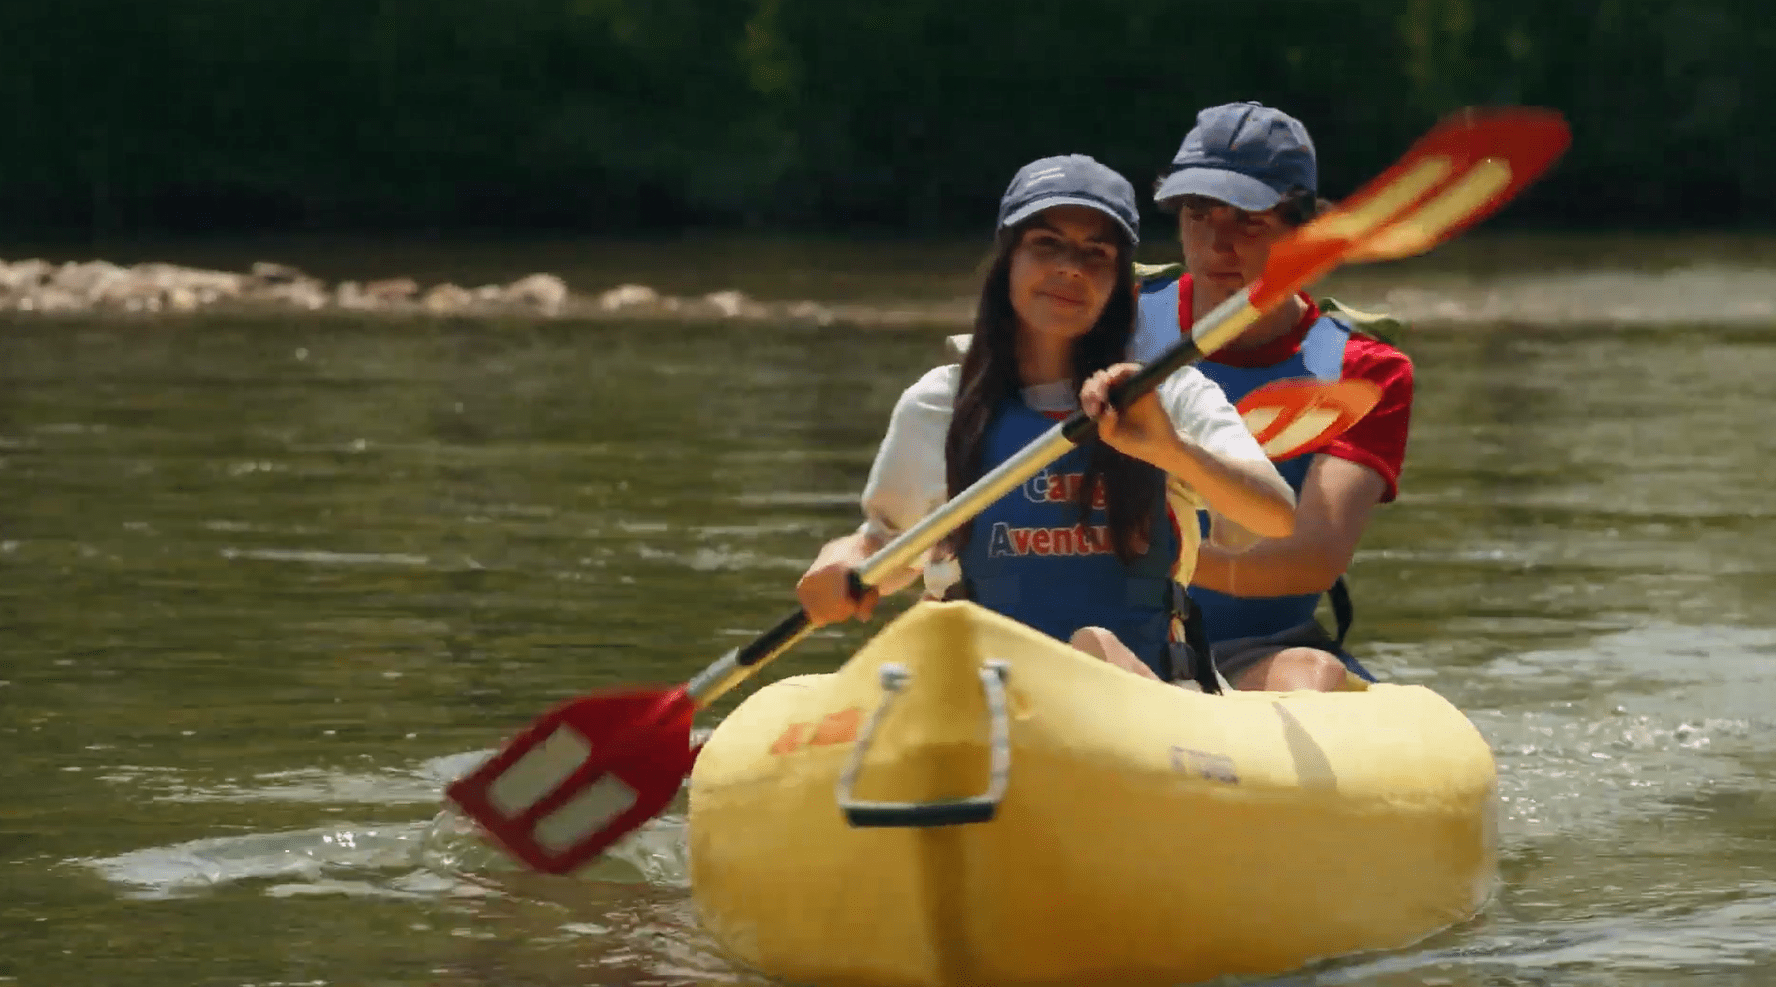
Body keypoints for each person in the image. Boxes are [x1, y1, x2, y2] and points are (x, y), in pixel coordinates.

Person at [795, 153, 1296, 688]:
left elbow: (1275, 516)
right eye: (1047, 245)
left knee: (1096, 652)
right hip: (982, 697)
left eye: (1095, 253)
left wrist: (1170, 451)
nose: (1069, 268)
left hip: (1151, 702)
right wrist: (842, 560)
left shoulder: (1169, 394)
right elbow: (884, 548)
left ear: (1123, 288)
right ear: (1006, 263)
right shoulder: (940, 402)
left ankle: (1101, 677)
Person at [1128, 101, 1416, 693]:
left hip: (1258, 651)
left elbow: (1311, 558)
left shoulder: (1366, 373)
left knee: (1311, 674)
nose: (1217, 244)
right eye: (1198, 214)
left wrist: (1146, 555)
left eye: (1249, 222)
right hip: (1108, 630)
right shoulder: (1114, 322)